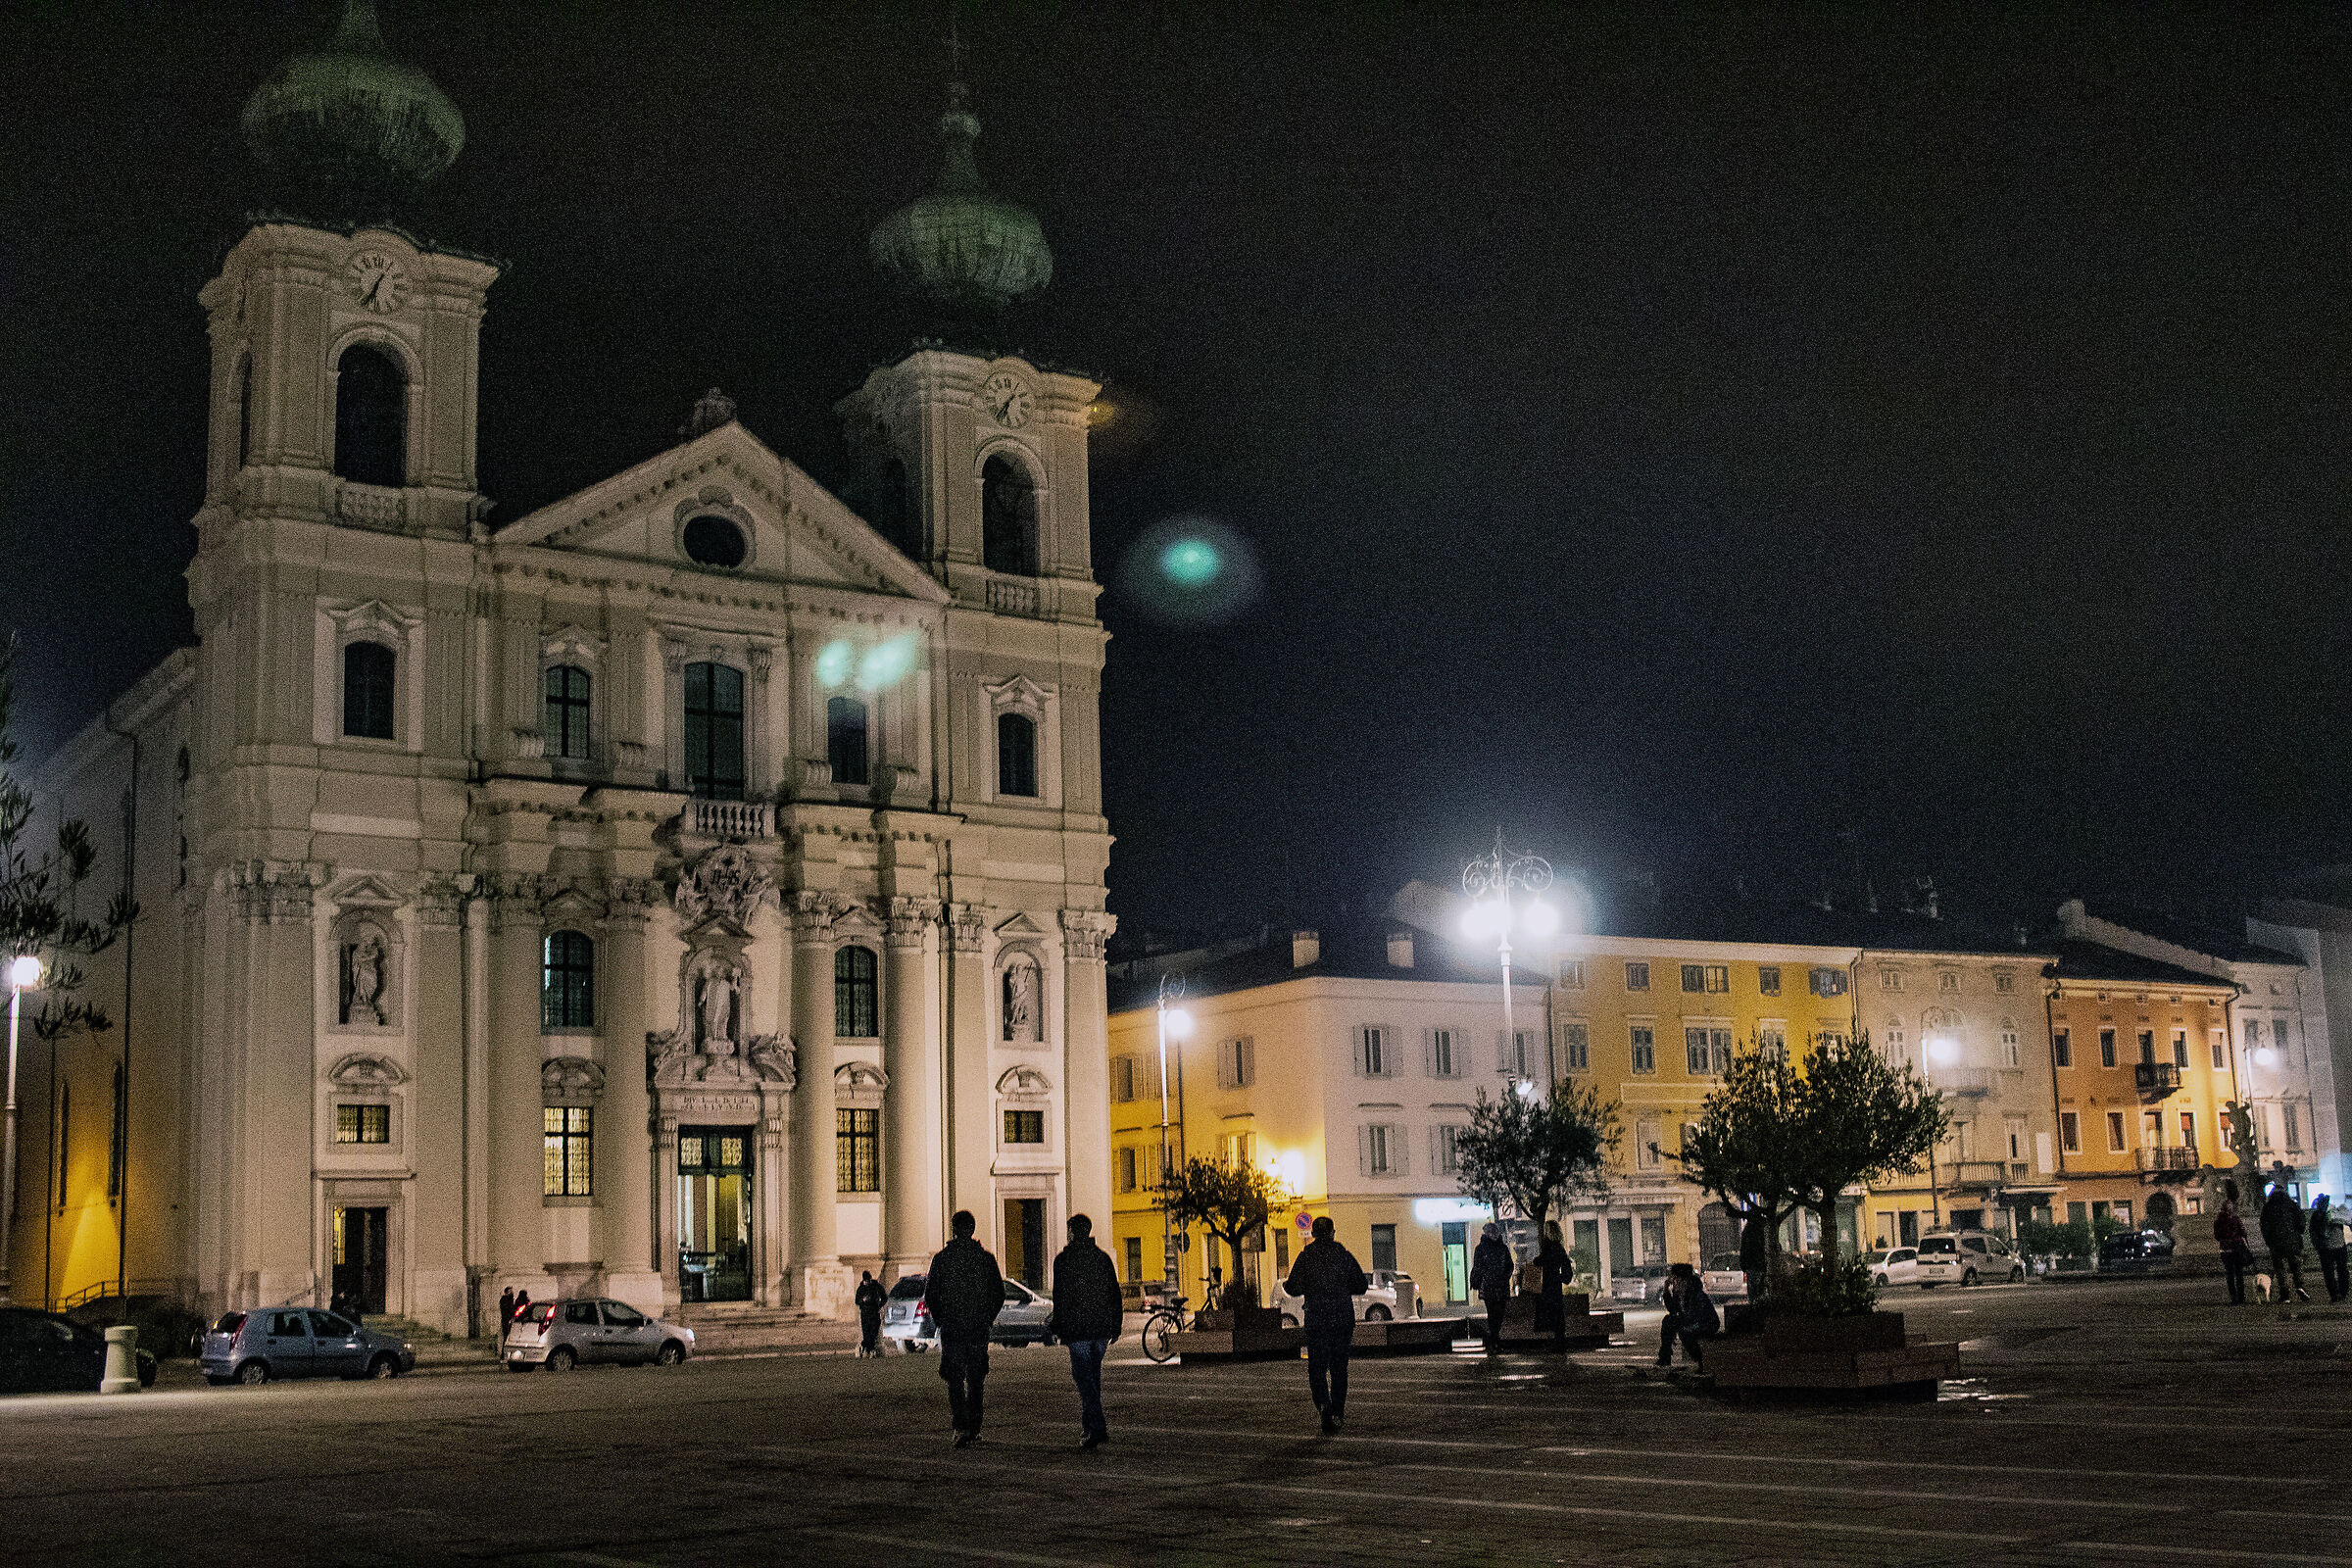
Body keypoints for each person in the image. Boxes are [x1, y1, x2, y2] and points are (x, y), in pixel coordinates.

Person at [924, 1210, 1004, 1447]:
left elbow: (931, 1295)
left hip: (953, 1328)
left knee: (955, 1380)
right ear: (973, 1229)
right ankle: (975, 1427)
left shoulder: (942, 1259)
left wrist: (942, 1319)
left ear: (954, 1229)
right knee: (976, 1380)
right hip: (977, 1328)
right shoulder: (985, 1259)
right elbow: (998, 1294)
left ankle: (961, 1427)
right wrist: (987, 1318)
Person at [1045, 1214, 1123, 1450]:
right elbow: (1114, 1293)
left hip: (1077, 1330)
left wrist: (1057, 1327)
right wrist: (1116, 1325)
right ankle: (1089, 1429)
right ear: (1088, 1231)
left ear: (1071, 1232)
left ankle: (1097, 1427)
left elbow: (1060, 1298)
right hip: (1100, 1329)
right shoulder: (1102, 1258)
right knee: (1093, 1379)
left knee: (1084, 1379)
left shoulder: (1063, 1261)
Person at [1284, 1215, 1368, 1436]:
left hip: (1317, 1318)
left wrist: (1303, 1286)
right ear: (1332, 1233)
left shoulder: (1306, 1257)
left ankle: (1323, 1403)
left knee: (1317, 1368)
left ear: (1312, 1234)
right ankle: (1337, 1413)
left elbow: (1292, 1287)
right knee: (1340, 1367)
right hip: (1342, 1318)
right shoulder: (1343, 1255)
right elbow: (1361, 1284)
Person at [1655, 1262, 1720, 1371]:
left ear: (1684, 1281)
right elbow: (1672, 1310)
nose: (1674, 1283)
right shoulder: (1678, 1294)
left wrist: (1684, 1326)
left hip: (1706, 1324)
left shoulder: (1695, 1294)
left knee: (1685, 1332)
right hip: (1691, 1321)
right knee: (1668, 1320)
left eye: (1676, 1280)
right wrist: (1666, 1291)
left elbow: (1698, 1316)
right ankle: (1665, 1356)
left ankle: (1701, 1361)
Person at [1469, 1221, 1515, 1354]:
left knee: (1499, 1314)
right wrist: (1486, 1277)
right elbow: (1478, 1266)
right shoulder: (1481, 1249)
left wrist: (1505, 1276)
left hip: (1501, 1286)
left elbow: (1509, 1265)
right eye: (1491, 1232)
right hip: (1489, 1287)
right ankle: (1494, 1341)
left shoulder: (1503, 1248)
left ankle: (1493, 1340)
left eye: (1495, 1232)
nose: (1494, 1234)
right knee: (1492, 1313)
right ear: (1486, 1233)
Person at [2261, 1181, 2310, 1303]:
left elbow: (2264, 1226)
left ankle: (2285, 1294)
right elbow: (2301, 1221)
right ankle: (2300, 1286)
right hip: (2293, 1241)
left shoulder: (2268, 1207)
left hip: (2276, 1242)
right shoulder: (2292, 1205)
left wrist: (2269, 1240)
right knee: (2296, 1265)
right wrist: (2298, 1233)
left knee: (2280, 1269)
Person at [1533, 1220, 1575, 1349]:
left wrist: (1536, 1261)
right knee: (1557, 1312)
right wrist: (1562, 1278)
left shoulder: (1548, 1247)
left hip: (1546, 1284)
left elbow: (1541, 1261)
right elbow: (1566, 1266)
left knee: (1548, 1312)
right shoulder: (1558, 1247)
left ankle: (1554, 1341)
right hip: (1555, 1284)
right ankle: (1559, 1340)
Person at [2312, 1196, 2351, 1303]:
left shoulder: (2316, 1215)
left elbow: (2313, 1232)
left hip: (2325, 1248)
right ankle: (2343, 1292)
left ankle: (2334, 1294)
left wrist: (2317, 1245)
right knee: (2342, 1269)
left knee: (2328, 1272)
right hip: (2339, 1246)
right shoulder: (2336, 1213)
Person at [2215, 1196, 2252, 1305]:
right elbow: (2244, 1233)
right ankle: (2241, 1297)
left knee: (2230, 1274)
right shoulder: (2235, 1219)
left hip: (2226, 1250)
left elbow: (2217, 1236)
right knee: (2239, 1274)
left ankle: (2234, 1298)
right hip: (2237, 1248)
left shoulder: (2218, 1220)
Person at [854, 1270, 888, 1357]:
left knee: (874, 1332)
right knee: (866, 1333)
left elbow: (884, 1297)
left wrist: (879, 1306)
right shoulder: (861, 1288)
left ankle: (866, 1348)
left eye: (868, 1281)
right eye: (865, 1281)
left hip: (874, 1312)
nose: (866, 1283)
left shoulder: (876, 1286)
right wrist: (863, 1301)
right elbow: (857, 1301)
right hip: (865, 1313)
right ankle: (868, 1349)